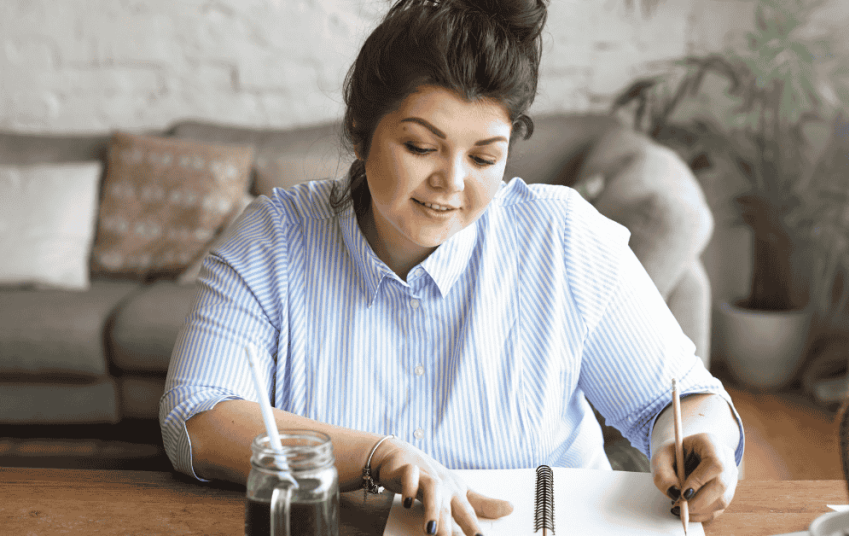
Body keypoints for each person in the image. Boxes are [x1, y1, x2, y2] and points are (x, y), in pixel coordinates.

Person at [160, 1, 745, 535]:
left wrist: (699, 437)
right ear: (361, 135)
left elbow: (683, 399)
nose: (452, 183)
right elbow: (198, 419)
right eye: (420, 147)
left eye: (484, 157)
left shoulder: (562, 236)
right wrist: (377, 456)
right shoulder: (275, 238)